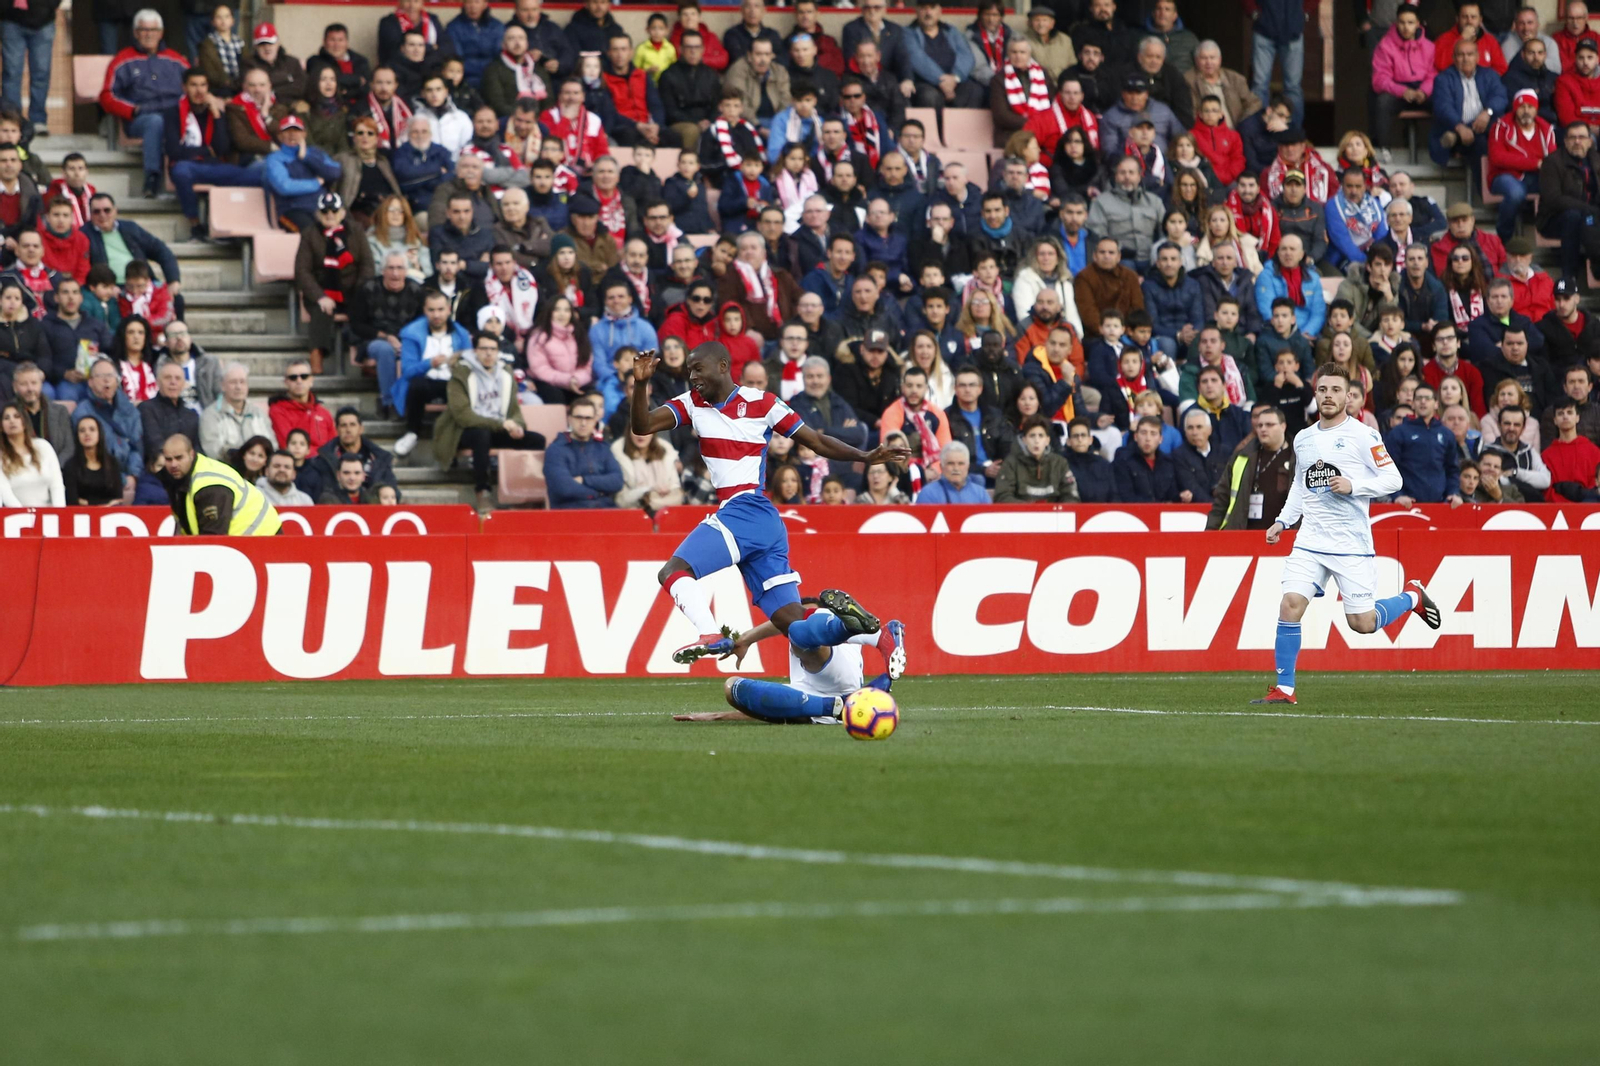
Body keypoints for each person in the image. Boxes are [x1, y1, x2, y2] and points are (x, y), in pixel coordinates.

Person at [1253, 364, 1441, 704]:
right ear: (1316, 393)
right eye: (1323, 389)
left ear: (1349, 396)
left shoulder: (1364, 436)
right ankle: (1285, 688)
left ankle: (1412, 596)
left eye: (1336, 390)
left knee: (1363, 624)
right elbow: (1301, 484)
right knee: (1290, 605)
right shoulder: (1304, 438)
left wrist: (1354, 486)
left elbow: (1393, 480)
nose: (1329, 395)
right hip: (1310, 540)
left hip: (1351, 544)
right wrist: (1283, 521)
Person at [100, 10, 194, 200]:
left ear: (161, 33)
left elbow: (194, 89)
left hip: (176, 116)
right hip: (141, 119)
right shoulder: (122, 60)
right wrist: (132, 110)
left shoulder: (177, 61)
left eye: (153, 30)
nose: (149, 34)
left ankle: (188, 181)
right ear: (135, 33)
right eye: (143, 30)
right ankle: (152, 178)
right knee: (155, 122)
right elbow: (107, 96)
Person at [156, 431, 282, 534]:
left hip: (264, 536)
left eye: (179, 458)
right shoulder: (177, 479)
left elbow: (213, 540)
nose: (173, 464)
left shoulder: (209, 486)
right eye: (168, 459)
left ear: (191, 454)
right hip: (244, 541)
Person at [392, 290, 470, 456]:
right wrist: (429, 364)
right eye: (432, 310)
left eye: (441, 310)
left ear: (448, 309)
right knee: (416, 386)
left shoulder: (461, 333)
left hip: (452, 381)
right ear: (425, 310)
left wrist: (458, 364)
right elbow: (407, 371)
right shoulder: (411, 333)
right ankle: (412, 433)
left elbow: (470, 363)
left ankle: (460, 440)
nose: (436, 315)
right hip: (425, 380)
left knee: (464, 389)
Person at [1535, 120, 1600, 286]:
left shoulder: (1596, 160)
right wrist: (1589, 210)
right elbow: (1553, 199)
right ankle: (1569, 276)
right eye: (1572, 138)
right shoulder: (1552, 162)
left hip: (1591, 216)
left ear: (1590, 141)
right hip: (1554, 218)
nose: (1577, 142)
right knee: (1574, 217)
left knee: (1586, 220)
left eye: (1581, 137)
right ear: (1565, 141)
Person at [1489, 89, 1555, 241]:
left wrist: (1540, 165)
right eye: (1522, 107)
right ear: (1515, 108)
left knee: (1559, 190)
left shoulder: (1546, 129)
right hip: (1505, 176)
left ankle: (1551, 237)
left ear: (1536, 109)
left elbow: (1551, 160)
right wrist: (1535, 163)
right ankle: (1503, 238)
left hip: (1536, 177)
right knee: (1515, 194)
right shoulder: (1501, 126)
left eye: (1530, 107)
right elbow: (1497, 158)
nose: (1526, 111)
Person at [1431, 36, 1509, 166]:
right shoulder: (1443, 79)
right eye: (1461, 55)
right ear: (1454, 58)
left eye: (1470, 54)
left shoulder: (1490, 75)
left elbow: (1500, 97)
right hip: (1458, 128)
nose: (1466, 59)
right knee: (1481, 144)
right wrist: (1459, 126)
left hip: (1486, 125)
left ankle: (1454, 138)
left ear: (1478, 57)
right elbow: (1443, 107)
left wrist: (1487, 112)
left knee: (1494, 131)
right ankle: (1484, 186)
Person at [994, 415, 1079, 503]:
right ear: (1024, 440)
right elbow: (1002, 497)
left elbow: (1071, 496)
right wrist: (1032, 511)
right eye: (1032, 436)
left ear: (1047, 440)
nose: (1036, 441)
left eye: (1041, 436)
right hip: (1021, 515)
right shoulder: (1011, 463)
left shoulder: (1060, 463)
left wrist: (1054, 511)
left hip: (1053, 515)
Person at [198, 361, 270, 459]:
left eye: (242, 382)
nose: (238, 387)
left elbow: (272, 445)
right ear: (223, 386)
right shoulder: (210, 415)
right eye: (233, 382)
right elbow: (212, 450)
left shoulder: (259, 413)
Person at [1250, 0, 1306, 126]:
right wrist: (1253, 12)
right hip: (1264, 31)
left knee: (1293, 87)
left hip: (1293, 32)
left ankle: (1293, 133)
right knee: (1260, 85)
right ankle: (1258, 130)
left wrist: (1304, 13)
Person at [0, 399, 63, 504]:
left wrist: (59, 514)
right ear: (1, 427)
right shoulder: (1, 455)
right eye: (6, 418)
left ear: (24, 422)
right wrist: (25, 516)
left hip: (49, 516)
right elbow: (5, 492)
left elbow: (56, 485)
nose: (12, 421)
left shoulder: (43, 446)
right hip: (18, 517)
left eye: (17, 416)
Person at [267, 358, 334, 450]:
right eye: (293, 377)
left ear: (311, 381)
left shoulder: (324, 413)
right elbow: (289, 447)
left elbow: (335, 447)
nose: (299, 381)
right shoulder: (277, 411)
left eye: (304, 376)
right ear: (286, 382)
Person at [1542, 396, 1600, 498]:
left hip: (1588, 507)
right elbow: (1548, 490)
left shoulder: (1594, 452)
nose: (1565, 417)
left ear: (1577, 417)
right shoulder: (1546, 456)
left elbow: (1596, 484)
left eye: (1569, 412)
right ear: (1555, 420)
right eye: (1560, 413)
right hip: (1556, 510)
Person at [1112, 415, 1181, 501]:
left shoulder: (1168, 463)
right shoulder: (1123, 460)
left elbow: (1173, 495)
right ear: (1136, 437)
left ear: (1160, 439)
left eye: (1153, 434)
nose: (1148, 438)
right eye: (1144, 433)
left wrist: (1182, 497)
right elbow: (1125, 496)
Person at [241, 21, 306, 101]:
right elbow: (253, 90)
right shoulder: (248, 64)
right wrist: (286, 79)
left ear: (278, 43)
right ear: (256, 47)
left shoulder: (292, 62)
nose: (267, 48)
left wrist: (273, 92)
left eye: (270, 43)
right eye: (262, 44)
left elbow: (301, 87)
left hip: (291, 106)